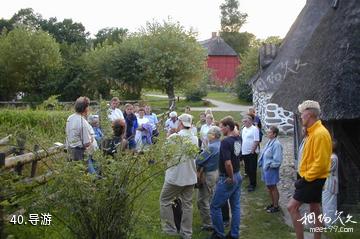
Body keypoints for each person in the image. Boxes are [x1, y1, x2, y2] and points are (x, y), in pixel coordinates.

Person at [287, 100, 332, 239]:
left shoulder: (320, 134)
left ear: (309, 114)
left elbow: (321, 163)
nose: (300, 117)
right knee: (315, 209)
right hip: (309, 177)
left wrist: (305, 178)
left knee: (292, 207)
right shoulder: (312, 132)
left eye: (302, 114)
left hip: (312, 178)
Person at [159, 113, 198, 239]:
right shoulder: (195, 138)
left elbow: (165, 156)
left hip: (175, 177)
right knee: (187, 205)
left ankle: (170, 229)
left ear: (180, 123)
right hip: (190, 176)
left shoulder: (174, 138)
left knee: (164, 200)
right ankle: (187, 233)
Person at [210, 116, 242, 239]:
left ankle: (219, 234)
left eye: (222, 127)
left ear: (228, 127)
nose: (220, 129)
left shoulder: (225, 142)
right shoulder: (238, 138)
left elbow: (228, 162)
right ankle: (234, 234)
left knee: (215, 206)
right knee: (236, 207)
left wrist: (230, 176)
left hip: (228, 177)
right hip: (238, 175)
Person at [196, 126, 221, 231]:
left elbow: (199, 160)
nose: (207, 136)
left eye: (209, 134)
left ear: (214, 135)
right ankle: (213, 219)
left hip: (208, 174)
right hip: (216, 171)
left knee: (202, 199)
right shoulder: (219, 144)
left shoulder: (211, 147)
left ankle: (208, 224)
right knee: (210, 196)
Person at [258, 126, 283, 213]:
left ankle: (276, 206)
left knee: (273, 187)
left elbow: (277, 160)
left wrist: (270, 165)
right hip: (266, 168)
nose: (268, 133)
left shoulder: (277, 144)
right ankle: (273, 204)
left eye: (269, 132)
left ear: (274, 134)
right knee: (269, 187)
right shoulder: (270, 141)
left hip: (271, 169)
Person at [65, 96, 95, 161]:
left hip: (69, 150)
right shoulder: (83, 122)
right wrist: (92, 138)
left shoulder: (70, 118)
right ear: (85, 108)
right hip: (78, 153)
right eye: (88, 107)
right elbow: (86, 143)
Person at [322, 140, 339, 227]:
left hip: (330, 182)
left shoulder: (333, 158)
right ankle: (329, 222)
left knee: (329, 203)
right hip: (328, 181)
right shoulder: (331, 157)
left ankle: (329, 223)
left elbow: (326, 169)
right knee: (326, 202)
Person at [241, 115, 260, 192]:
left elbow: (256, 140)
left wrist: (252, 151)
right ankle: (250, 183)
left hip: (252, 152)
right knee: (248, 169)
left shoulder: (254, 129)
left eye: (246, 121)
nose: (244, 122)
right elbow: (243, 139)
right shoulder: (244, 129)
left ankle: (253, 184)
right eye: (244, 121)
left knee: (252, 169)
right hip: (245, 152)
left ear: (250, 121)